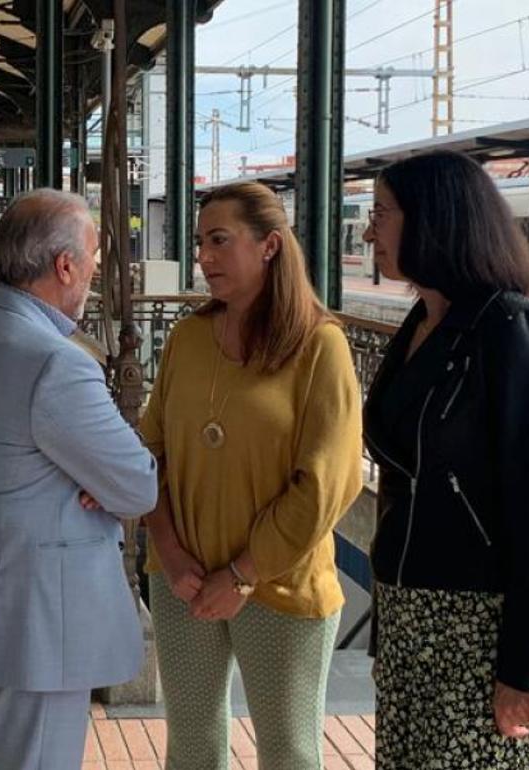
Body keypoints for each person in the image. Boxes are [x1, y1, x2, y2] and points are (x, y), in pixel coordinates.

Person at [361, 149, 529, 769]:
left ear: (435, 219)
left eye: (383, 214)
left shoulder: (515, 331)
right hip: (414, 620)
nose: (372, 230)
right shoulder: (425, 322)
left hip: (478, 630)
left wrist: (528, 669)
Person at [138, 181, 364, 770]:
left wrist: (241, 573)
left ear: (268, 245)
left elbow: (327, 485)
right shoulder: (188, 337)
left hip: (278, 586)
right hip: (181, 579)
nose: (204, 258)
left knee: (289, 752)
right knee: (191, 747)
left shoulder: (321, 346)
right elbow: (151, 448)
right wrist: (169, 548)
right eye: (199, 243)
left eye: (219, 241)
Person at [0, 188, 158, 770]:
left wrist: (84, 477)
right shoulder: (55, 361)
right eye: (91, 258)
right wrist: (98, 480)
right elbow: (137, 486)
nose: (93, 272)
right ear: (65, 266)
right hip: (41, 622)